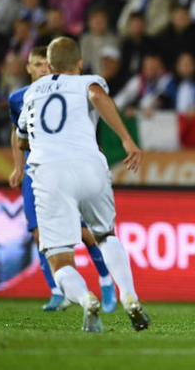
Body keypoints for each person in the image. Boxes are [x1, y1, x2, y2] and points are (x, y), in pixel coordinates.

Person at [16, 37, 149, 333]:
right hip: (89, 165)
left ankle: (87, 299)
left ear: (49, 65)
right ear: (79, 63)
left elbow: (22, 137)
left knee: (59, 259)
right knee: (105, 235)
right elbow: (96, 95)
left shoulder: (31, 92)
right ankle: (130, 296)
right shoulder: (87, 81)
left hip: (49, 174)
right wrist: (126, 139)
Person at [8, 45, 116, 313]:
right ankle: (59, 292)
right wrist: (18, 167)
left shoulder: (71, 90)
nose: (42, 69)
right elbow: (17, 132)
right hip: (37, 171)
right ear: (28, 68)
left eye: (45, 64)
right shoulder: (20, 98)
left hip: (67, 168)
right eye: (37, 64)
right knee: (39, 234)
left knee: (86, 233)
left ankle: (105, 281)